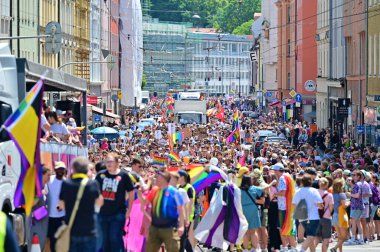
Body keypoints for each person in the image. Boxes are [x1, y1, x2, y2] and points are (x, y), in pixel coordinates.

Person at [59, 157, 103, 252]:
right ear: (87, 170)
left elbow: (61, 205)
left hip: (71, 229)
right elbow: (100, 202)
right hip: (89, 229)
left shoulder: (66, 183)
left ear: (73, 169)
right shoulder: (93, 184)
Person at [95, 153, 135, 252]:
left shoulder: (123, 175)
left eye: (111, 161)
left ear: (117, 163)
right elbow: (94, 191)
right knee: (105, 240)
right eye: (107, 161)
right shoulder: (100, 175)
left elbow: (131, 193)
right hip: (103, 213)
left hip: (118, 213)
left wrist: (129, 210)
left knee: (114, 237)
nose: (108, 164)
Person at [139, 170, 185, 252]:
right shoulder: (155, 190)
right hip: (154, 227)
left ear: (163, 179)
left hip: (170, 228)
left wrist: (181, 226)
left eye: (158, 178)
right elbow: (145, 202)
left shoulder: (174, 192)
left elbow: (181, 209)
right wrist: (138, 192)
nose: (156, 179)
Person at [292, 174, 323, 252]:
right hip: (313, 217)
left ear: (302, 182)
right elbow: (320, 204)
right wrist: (321, 207)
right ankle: (302, 250)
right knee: (311, 236)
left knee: (310, 237)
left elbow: (293, 204)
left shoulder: (298, 191)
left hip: (302, 216)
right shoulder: (314, 190)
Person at [271, 163, 297, 251]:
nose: (274, 172)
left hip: (283, 207)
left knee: (283, 228)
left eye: (274, 170)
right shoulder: (288, 176)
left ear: (278, 170)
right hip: (288, 206)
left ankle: (285, 247)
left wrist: (274, 194)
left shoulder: (282, 178)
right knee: (288, 227)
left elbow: (282, 192)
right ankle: (291, 247)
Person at [240, 175, 263, 252]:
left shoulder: (239, 190)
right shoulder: (254, 188)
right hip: (253, 209)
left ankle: (246, 249)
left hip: (243, 210)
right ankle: (255, 248)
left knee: (245, 232)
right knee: (253, 231)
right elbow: (262, 192)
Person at [47, 161, 67, 252]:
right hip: (50, 217)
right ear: (55, 169)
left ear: (65, 170)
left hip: (62, 216)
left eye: (62, 169)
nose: (60, 171)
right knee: (52, 240)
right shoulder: (49, 180)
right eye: (58, 169)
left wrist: (63, 205)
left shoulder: (67, 182)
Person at [345, 169, 365, 245]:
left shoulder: (357, 184)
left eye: (354, 175)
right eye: (352, 175)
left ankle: (353, 239)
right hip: (358, 206)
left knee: (353, 222)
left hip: (356, 206)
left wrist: (350, 195)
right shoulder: (359, 184)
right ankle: (361, 239)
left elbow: (357, 195)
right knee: (357, 223)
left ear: (358, 176)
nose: (352, 176)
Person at [178, 170, 196, 251]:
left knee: (183, 238)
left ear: (182, 177)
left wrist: (187, 218)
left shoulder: (189, 188)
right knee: (183, 237)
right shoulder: (179, 187)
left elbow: (191, 203)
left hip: (188, 216)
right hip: (181, 216)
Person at [330, 179, 349, 252]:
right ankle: (334, 248)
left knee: (340, 237)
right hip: (341, 216)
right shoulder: (342, 195)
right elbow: (344, 205)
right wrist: (349, 202)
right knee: (344, 237)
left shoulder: (332, 195)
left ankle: (340, 250)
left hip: (335, 215)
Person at [317, 177, 334, 252]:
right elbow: (331, 208)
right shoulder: (329, 195)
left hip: (315, 217)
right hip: (326, 217)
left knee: (316, 238)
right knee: (326, 238)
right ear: (327, 185)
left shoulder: (315, 193)